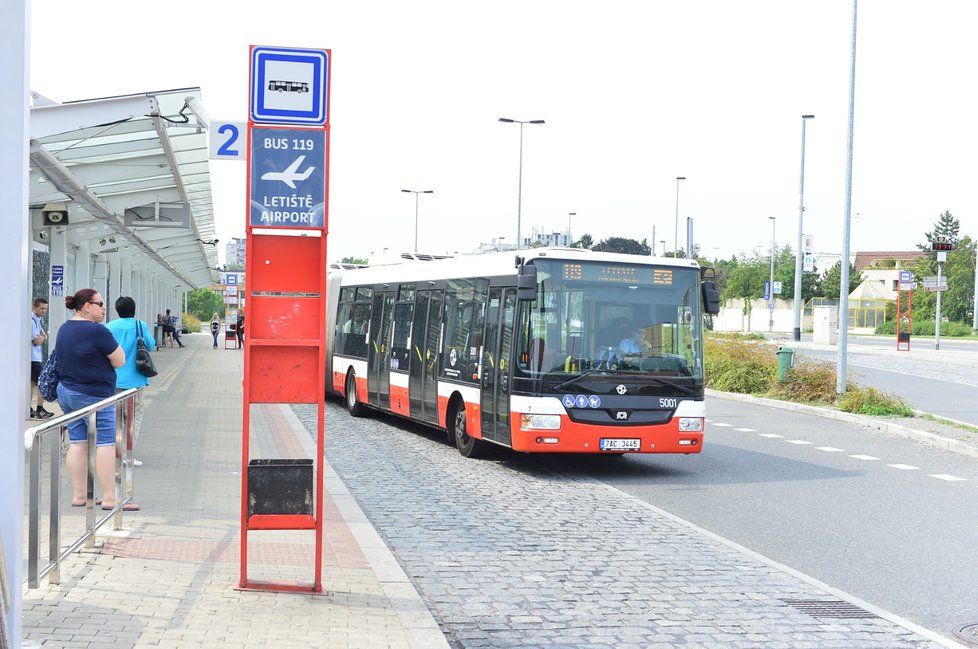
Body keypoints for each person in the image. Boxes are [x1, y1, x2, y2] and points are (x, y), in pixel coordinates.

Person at [56, 288, 128, 511]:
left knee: (78, 442)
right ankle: (109, 497)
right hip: (95, 396)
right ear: (87, 306)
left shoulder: (64, 328)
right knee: (105, 443)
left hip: (67, 392)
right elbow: (119, 361)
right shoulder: (98, 332)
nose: (104, 308)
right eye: (100, 304)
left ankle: (79, 495)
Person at [106, 297, 155, 483]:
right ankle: (128, 454)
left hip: (114, 379)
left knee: (116, 416)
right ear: (134, 309)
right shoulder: (140, 325)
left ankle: (114, 452)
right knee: (134, 417)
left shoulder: (110, 327)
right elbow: (150, 345)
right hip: (136, 380)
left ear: (117, 310)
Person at [30, 298, 54, 419]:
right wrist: (44, 337)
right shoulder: (32, 321)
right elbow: (38, 341)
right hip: (33, 358)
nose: (44, 311)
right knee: (43, 381)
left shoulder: (39, 319)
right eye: (41, 308)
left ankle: (28, 408)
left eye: (45, 308)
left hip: (35, 357)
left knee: (32, 383)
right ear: (33, 308)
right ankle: (39, 409)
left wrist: (42, 336)